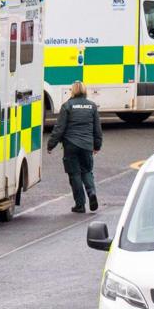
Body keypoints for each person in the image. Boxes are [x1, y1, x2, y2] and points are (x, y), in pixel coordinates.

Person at [47, 81, 103, 213]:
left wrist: (51, 144)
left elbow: (59, 128)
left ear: (72, 91)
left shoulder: (67, 106)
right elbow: (97, 129)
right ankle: (91, 193)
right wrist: (97, 145)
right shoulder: (92, 106)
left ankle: (80, 205)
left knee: (75, 174)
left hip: (71, 145)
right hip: (86, 145)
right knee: (87, 171)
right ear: (84, 91)